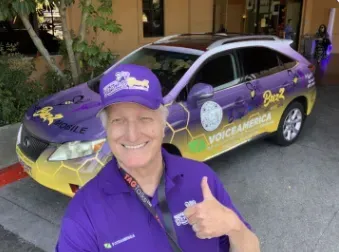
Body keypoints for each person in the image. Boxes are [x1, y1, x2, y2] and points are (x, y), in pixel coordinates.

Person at [55, 64, 260, 252]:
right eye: (118, 120)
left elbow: (251, 247)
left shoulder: (201, 179)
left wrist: (233, 226)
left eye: (144, 118)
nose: (132, 135)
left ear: (162, 125)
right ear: (107, 129)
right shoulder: (85, 211)